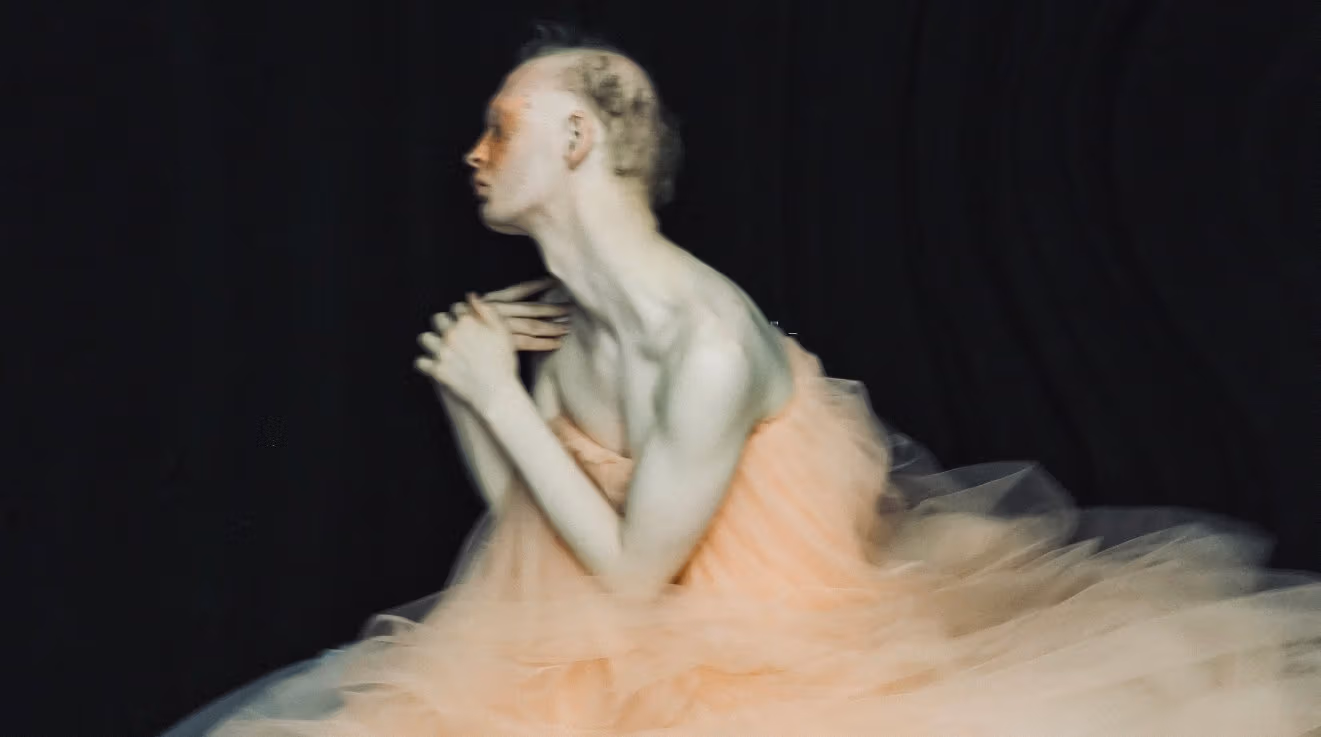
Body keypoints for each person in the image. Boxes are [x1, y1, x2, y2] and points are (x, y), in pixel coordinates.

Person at [165, 28, 1321, 737]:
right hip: (615, 649)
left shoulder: (703, 338)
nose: (475, 150)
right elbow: (532, 523)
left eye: (501, 123)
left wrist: (501, 398)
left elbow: (627, 575)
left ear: (576, 140)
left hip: (781, 657)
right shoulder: (578, 334)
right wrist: (477, 395)